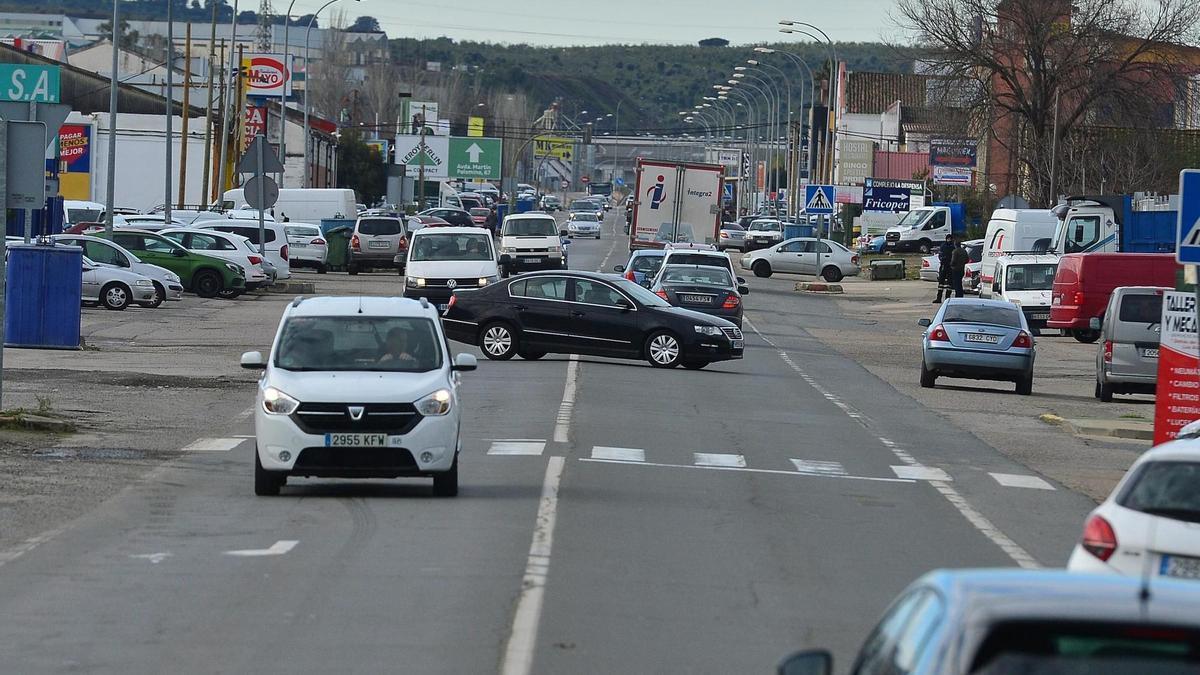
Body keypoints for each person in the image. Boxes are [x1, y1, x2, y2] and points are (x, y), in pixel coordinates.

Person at [933, 234, 955, 304]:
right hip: (943, 266)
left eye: (950, 239)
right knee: (941, 284)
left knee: (949, 284)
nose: (949, 240)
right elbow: (940, 255)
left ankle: (947, 299)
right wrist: (942, 259)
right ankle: (938, 298)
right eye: (948, 239)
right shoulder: (943, 246)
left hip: (950, 266)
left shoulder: (953, 247)